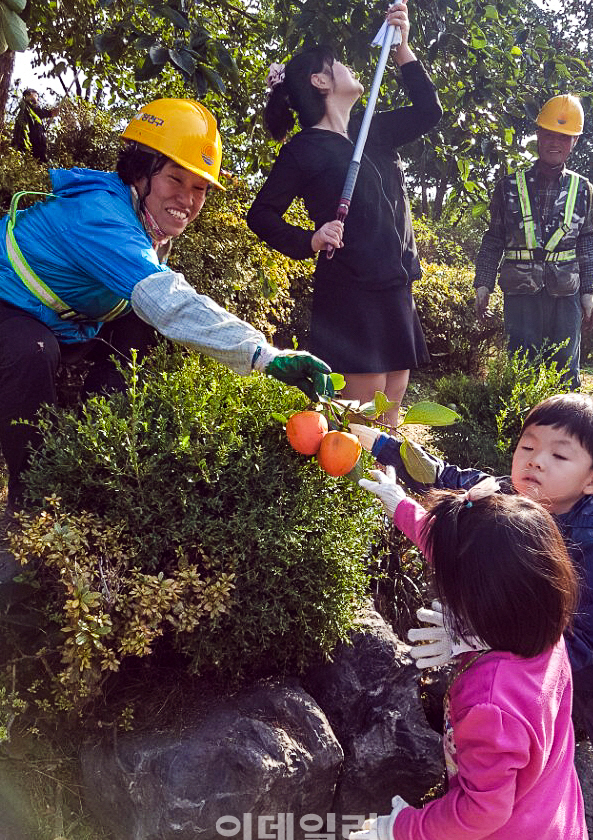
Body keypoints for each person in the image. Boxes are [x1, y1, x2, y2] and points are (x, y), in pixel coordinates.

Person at [0, 98, 334, 513]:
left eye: (200, 188)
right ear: (140, 173)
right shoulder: (100, 215)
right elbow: (168, 302)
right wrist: (265, 356)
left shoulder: (149, 223)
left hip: (70, 319)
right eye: (176, 180)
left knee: (144, 330)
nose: (188, 200)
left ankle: (91, 451)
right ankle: (32, 499)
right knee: (30, 353)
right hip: (10, 308)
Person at [348, 478, 592, 840]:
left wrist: (405, 831)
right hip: (555, 833)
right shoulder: (544, 632)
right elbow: (474, 559)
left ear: (481, 601)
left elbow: (482, 811)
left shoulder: (489, 703)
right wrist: (401, 506)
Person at [350, 390, 593, 744]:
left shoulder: (586, 543)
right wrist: (380, 444)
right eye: (527, 447)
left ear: (590, 480)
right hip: (522, 648)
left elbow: (581, 643)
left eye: (559, 454)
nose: (536, 461)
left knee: (543, 734)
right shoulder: (507, 496)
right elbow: (443, 477)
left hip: (572, 674)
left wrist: (487, 639)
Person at [246, 0, 442, 426]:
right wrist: (311, 239)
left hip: (395, 284)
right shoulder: (303, 150)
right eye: (337, 63)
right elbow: (261, 215)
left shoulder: (369, 129)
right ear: (319, 81)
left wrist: (403, 49)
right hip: (351, 292)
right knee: (360, 423)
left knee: (390, 416)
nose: (350, 67)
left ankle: (385, 491)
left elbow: (430, 112)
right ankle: (353, 491)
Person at [474, 94, 593, 387]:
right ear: (538, 135)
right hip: (521, 293)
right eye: (549, 134)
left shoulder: (584, 190)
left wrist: (589, 291)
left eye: (564, 138)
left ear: (574, 142)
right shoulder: (508, 187)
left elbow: (587, 242)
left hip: (566, 295)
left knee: (565, 374)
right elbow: (493, 239)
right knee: (520, 371)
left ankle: (564, 431)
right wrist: (483, 283)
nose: (555, 143)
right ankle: (521, 429)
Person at [11, 89, 60, 163]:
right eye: (36, 95)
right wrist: (50, 113)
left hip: (35, 142)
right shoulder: (27, 107)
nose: (37, 98)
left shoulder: (27, 110)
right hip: (34, 143)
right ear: (30, 95)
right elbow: (39, 112)